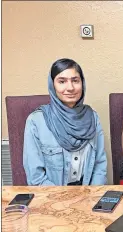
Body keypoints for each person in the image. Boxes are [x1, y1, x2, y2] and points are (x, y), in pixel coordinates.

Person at [23, 58, 107, 186]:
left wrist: (92, 195)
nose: (70, 88)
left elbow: (99, 165)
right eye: (62, 81)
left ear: (82, 84)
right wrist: (63, 200)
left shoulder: (92, 117)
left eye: (75, 81)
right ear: (53, 85)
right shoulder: (36, 121)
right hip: (50, 195)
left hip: (88, 194)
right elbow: (36, 178)